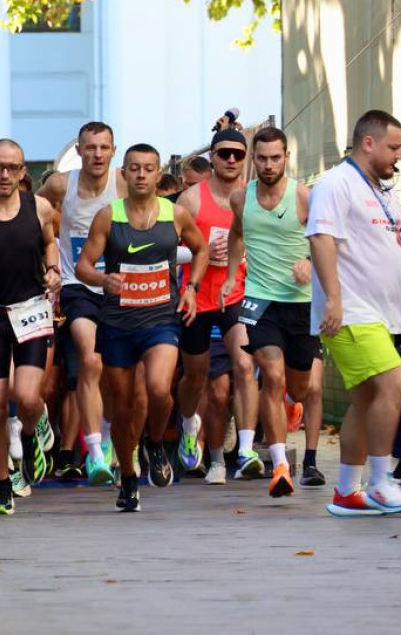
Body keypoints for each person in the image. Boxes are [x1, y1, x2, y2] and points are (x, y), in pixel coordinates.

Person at [310, 110, 401, 517]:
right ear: (368, 143)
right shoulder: (336, 183)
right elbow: (321, 239)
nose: (398, 156)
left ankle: (347, 492)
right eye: (393, 148)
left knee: (365, 399)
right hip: (351, 311)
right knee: (394, 381)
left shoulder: (382, 191)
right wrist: (334, 298)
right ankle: (380, 482)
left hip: (380, 312)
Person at [77, 143, 205, 512]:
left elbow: (200, 250)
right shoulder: (108, 216)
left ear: (157, 172)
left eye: (149, 168)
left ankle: (155, 441)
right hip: (118, 321)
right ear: (124, 172)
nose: (141, 175)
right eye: (134, 168)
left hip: (161, 317)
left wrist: (192, 288)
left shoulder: (175, 214)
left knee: (159, 389)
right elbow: (83, 265)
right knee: (122, 407)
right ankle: (130, 477)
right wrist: (103, 280)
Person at [0, 138, 61, 515]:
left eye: (12, 167)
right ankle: (3, 483)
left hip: (31, 310)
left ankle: (31, 434)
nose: (4, 174)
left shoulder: (40, 207)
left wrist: (53, 270)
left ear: (22, 172)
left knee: (29, 397)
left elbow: (50, 242)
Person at [223, 126, 325, 497]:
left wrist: (310, 265)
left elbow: (327, 245)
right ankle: (280, 465)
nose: (268, 165)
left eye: (275, 158)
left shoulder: (303, 197)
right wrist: (231, 276)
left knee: (298, 388)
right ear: (254, 158)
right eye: (262, 158)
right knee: (271, 374)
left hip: (300, 304)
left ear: (286, 158)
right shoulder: (241, 198)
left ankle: (288, 409)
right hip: (260, 301)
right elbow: (236, 235)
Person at [39, 121, 122, 486]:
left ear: (114, 151)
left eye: (104, 147)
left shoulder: (124, 182)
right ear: (79, 150)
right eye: (90, 147)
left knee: (117, 374)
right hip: (77, 286)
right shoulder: (61, 184)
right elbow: (34, 211)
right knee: (90, 359)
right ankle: (95, 453)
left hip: (118, 286)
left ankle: (109, 436)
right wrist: (49, 258)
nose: (97, 155)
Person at [176, 128, 256, 480]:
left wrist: (245, 256)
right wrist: (201, 252)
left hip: (235, 294)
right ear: (213, 157)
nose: (232, 160)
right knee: (197, 378)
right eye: (225, 153)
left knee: (244, 364)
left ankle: (245, 451)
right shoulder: (191, 200)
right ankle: (189, 426)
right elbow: (165, 250)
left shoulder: (251, 198)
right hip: (196, 298)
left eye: (238, 154)